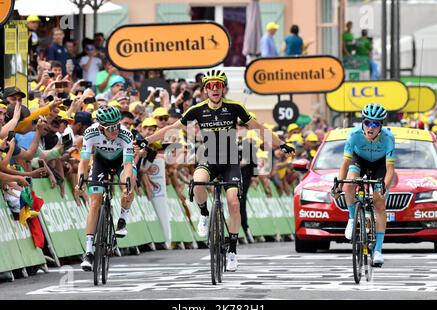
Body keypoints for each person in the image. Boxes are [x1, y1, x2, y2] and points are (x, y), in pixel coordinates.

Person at [142, 70, 295, 271]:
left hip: (231, 160)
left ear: (223, 88)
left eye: (218, 85)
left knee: (233, 203)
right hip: (208, 157)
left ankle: (232, 249)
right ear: (205, 90)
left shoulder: (234, 107)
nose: (214, 89)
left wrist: (281, 144)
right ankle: (204, 213)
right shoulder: (197, 110)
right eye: (210, 86)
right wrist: (146, 140)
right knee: (197, 184)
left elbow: (258, 127)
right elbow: (171, 128)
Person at [333, 104, 395, 267]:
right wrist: (340, 183)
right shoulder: (353, 134)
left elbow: (390, 170)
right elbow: (345, 162)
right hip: (359, 160)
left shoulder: (388, 138)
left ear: (381, 125)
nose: (370, 127)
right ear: (362, 122)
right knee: (350, 184)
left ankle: (378, 251)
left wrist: (383, 188)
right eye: (367, 122)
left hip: (380, 164)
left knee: (379, 203)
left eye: (375, 124)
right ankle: (352, 218)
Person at [75, 106, 135, 271]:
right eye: (111, 128)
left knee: (129, 184)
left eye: (117, 125)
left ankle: (123, 219)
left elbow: (128, 164)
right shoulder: (91, 133)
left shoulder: (126, 134)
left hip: (121, 162)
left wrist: (128, 183)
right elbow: (84, 161)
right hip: (101, 161)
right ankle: (88, 252)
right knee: (95, 202)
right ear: (101, 128)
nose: (115, 130)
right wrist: (80, 180)